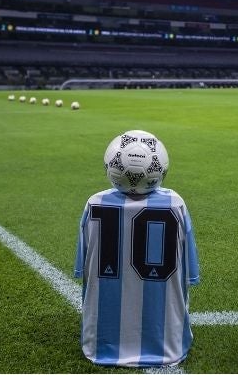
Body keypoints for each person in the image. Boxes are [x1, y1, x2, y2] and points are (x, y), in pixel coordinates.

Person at [75, 131, 200, 368]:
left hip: (101, 348)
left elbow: (84, 267)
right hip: (167, 346)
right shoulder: (175, 203)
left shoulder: (95, 203)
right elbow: (190, 272)